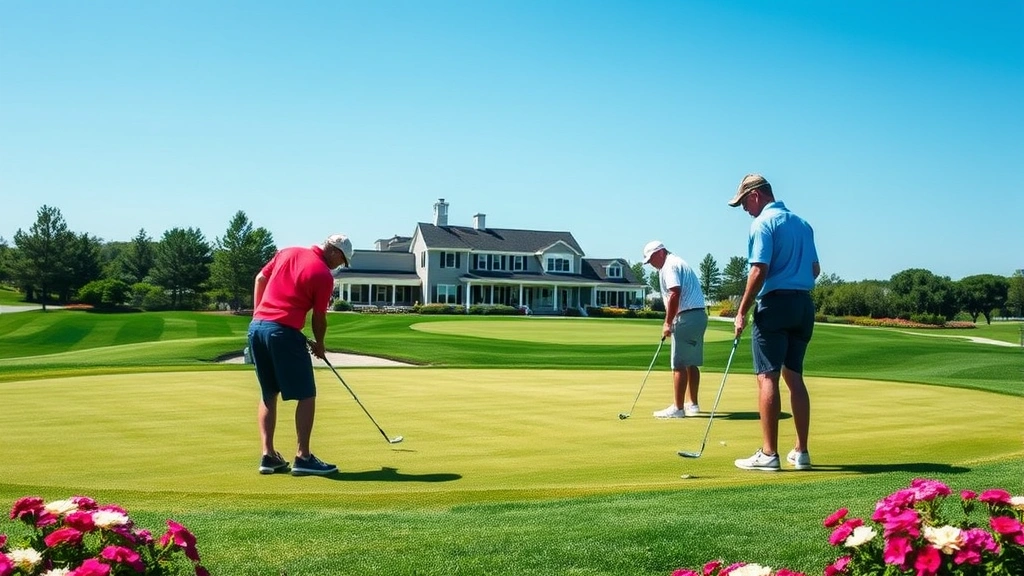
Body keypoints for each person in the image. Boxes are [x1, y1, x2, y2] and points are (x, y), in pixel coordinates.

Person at [727, 174, 819, 472]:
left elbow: (758, 270)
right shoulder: (803, 224)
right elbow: (815, 269)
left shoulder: (762, 223)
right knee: (795, 378)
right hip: (803, 305)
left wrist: (741, 310)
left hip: (775, 305)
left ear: (755, 195)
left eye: (743, 202)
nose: (743, 209)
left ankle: (769, 454)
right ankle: (801, 452)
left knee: (767, 377)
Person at [248, 234, 353, 476]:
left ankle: (268, 456)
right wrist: (320, 344)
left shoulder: (287, 252)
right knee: (307, 395)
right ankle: (303, 457)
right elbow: (319, 317)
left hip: (258, 329)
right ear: (335, 252)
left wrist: (259, 314)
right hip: (283, 333)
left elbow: (260, 278)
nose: (339, 266)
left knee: (268, 393)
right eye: (342, 261)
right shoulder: (323, 275)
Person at [641, 240, 708, 419]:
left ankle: (678, 408)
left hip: (686, 317)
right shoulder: (678, 262)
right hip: (699, 316)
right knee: (690, 362)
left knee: (678, 364)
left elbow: (674, 293)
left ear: (661, 252)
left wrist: (667, 322)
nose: (651, 264)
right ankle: (692, 404)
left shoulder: (669, 266)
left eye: (652, 258)